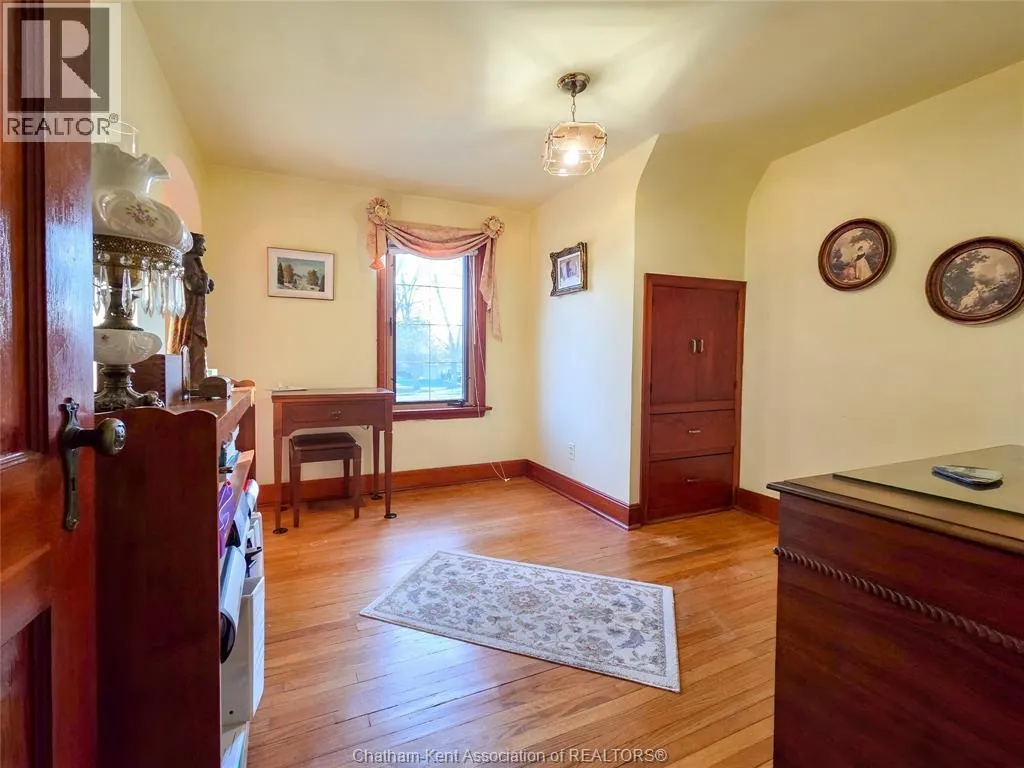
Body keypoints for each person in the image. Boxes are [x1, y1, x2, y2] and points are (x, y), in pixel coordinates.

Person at [169, 233, 214, 385]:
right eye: (202, 244)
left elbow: (200, 285)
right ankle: (193, 382)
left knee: (197, 349)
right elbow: (194, 285)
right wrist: (206, 279)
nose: (204, 248)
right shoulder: (188, 261)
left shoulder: (193, 261)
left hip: (195, 314)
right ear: (194, 245)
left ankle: (197, 381)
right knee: (191, 347)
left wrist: (207, 283)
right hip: (190, 315)